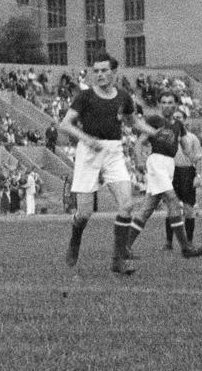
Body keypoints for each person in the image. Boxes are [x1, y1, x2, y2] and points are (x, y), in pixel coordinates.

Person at [58, 52, 156, 274]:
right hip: (89, 152)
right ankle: (75, 238)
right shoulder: (85, 96)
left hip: (113, 151)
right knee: (84, 213)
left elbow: (133, 122)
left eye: (104, 70)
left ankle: (117, 260)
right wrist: (86, 139)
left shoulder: (123, 96)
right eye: (96, 71)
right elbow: (65, 124)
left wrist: (156, 132)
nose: (100, 74)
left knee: (127, 205)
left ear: (114, 72)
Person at [124, 115, 202, 261]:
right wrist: (139, 161)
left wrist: (194, 158)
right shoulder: (155, 120)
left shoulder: (178, 125)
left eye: (170, 103)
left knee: (147, 209)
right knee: (172, 200)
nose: (167, 105)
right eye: (165, 103)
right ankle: (186, 248)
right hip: (157, 161)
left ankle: (124, 248)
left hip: (169, 165)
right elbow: (139, 143)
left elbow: (186, 148)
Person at [157, 90, 202, 252]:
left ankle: (189, 242)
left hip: (187, 173)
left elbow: (198, 158)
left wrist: (198, 175)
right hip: (172, 172)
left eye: (180, 117)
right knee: (171, 208)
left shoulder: (192, 138)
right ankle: (168, 242)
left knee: (189, 209)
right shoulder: (167, 134)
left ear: (184, 120)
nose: (177, 119)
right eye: (175, 117)